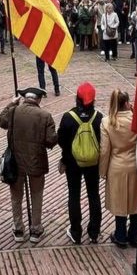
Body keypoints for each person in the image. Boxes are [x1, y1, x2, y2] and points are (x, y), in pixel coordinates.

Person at [0, 87, 58, 243]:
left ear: (24, 98)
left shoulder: (13, 111)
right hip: (36, 163)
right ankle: (36, 230)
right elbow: (50, 140)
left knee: (16, 196)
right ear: (39, 99)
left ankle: (18, 229)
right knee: (36, 195)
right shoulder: (45, 116)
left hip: (15, 163)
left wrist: (11, 104)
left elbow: (0, 121)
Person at [57, 82, 103, 245]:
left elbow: (61, 140)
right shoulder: (99, 117)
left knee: (74, 195)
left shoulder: (68, 117)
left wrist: (65, 158)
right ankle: (94, 232)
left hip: (72, 163)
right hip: (93, 163)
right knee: (94, 194)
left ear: (77, 98)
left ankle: (76, 232)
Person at [99, 89, 137, 248]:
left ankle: (120, 235)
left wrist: (102, 171)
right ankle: (135, 236)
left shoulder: (107, 122)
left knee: (120, 202)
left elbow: (104, 150)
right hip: (135, 165)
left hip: (116, 166)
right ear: (127, 102)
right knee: (136, 201)